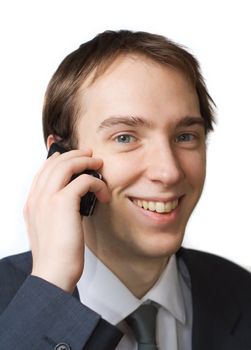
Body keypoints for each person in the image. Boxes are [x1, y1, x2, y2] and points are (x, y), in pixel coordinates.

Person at [0, 30, 250, 350]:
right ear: (60, 159)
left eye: (185, 136)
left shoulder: (243, 292)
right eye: (125, 138)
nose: (169, 171)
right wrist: (50, 290)